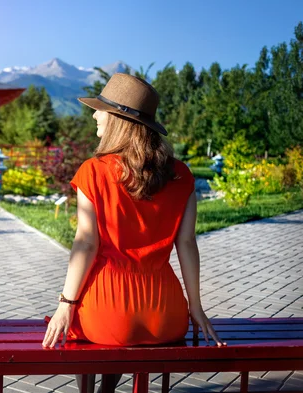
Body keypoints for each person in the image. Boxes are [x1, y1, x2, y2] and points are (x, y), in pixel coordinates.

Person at [41, 73, 226, 393]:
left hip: (107, 313)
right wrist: (195, 307)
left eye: (101, 109)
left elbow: (85, 242)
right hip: (166, 317)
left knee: (79, 325)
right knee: (115, 328)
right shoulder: (180, 174)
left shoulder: (94, 171)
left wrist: (66, 303)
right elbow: (186, 243)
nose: (94, 114)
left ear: (118, 120)